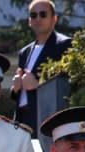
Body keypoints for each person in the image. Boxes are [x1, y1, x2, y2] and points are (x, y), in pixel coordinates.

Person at [12, 0, 72, 134]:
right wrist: (15, 88)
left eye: (43, 14)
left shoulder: (64, 45)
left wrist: (39, 84)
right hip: (22, 120)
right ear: (29, 21)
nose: (38, 18)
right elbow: (23, 91)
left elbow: (67, 83)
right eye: (33, 15)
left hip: (46, 119)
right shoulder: (25, 52)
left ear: (54, 19)